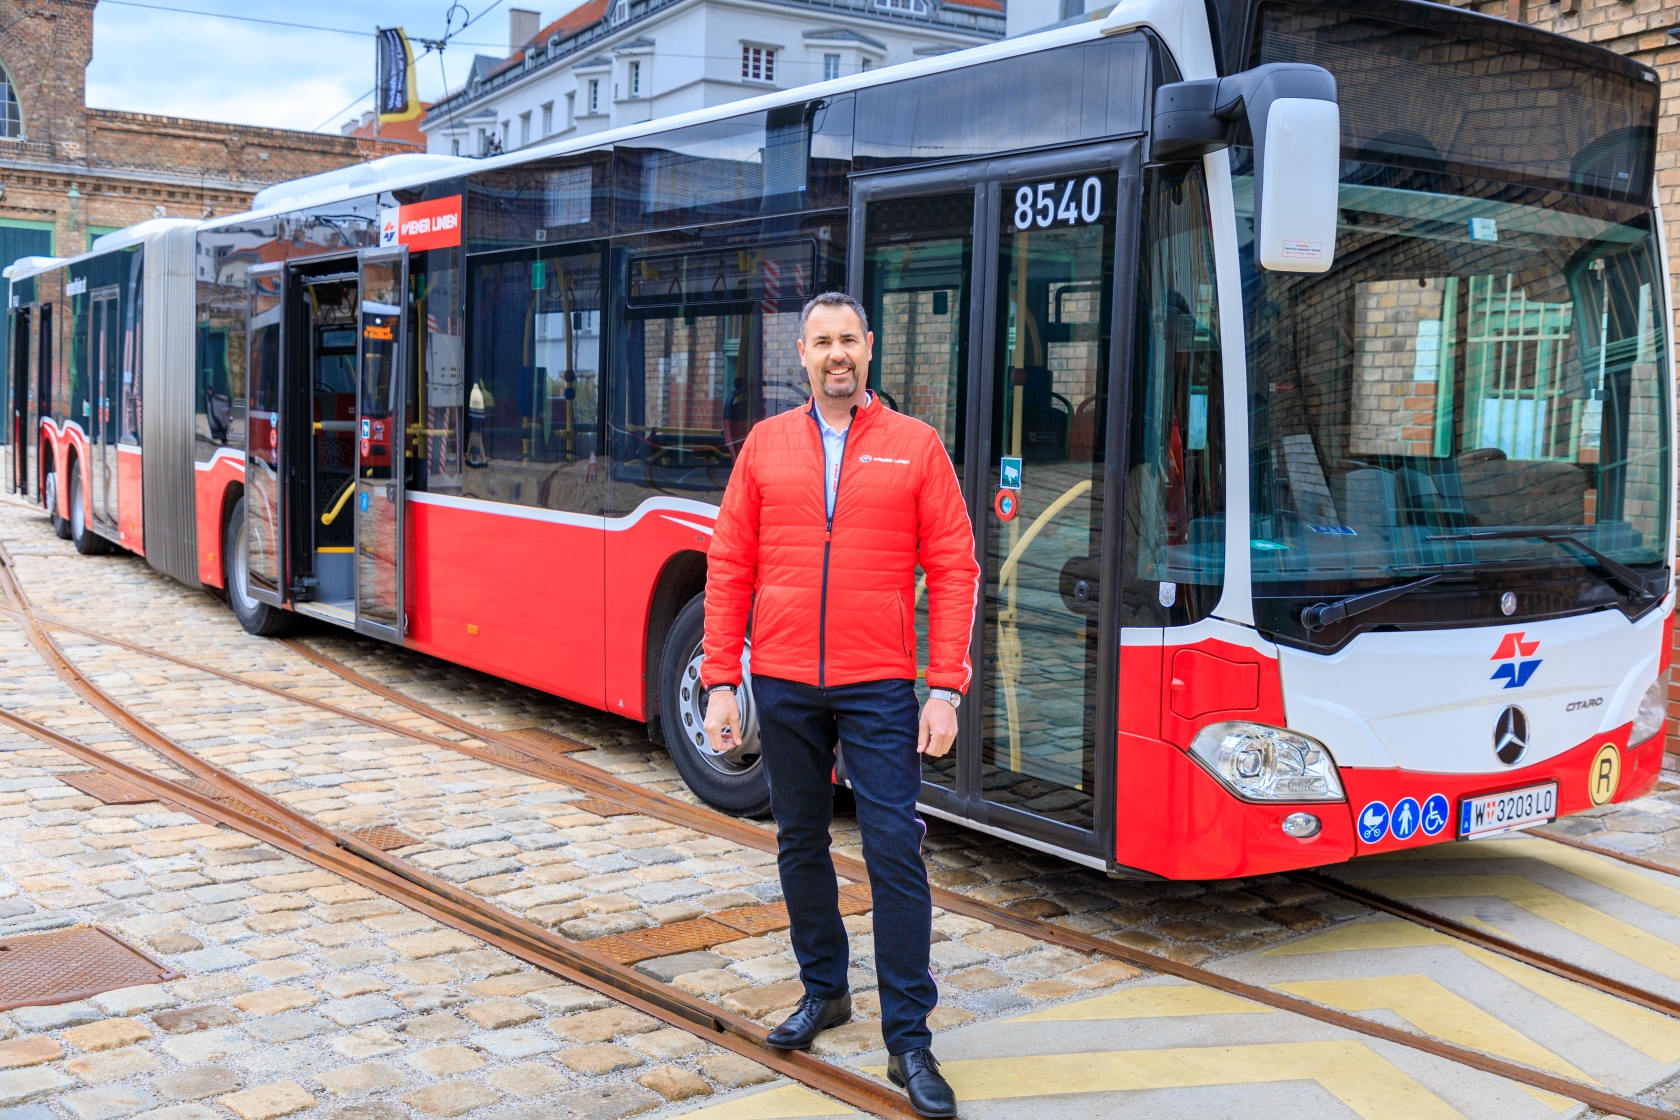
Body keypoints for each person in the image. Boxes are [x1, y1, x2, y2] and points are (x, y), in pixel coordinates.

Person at [701, 291, 978, 1118]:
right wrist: (722, 678)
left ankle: (910, 1041)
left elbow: (956, 568)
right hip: (784, 680)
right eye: (821, 342)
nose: (836, 356)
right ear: (802, 355)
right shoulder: (766, 445)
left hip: (879, 683)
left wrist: (946, 687)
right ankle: (825, 991)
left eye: (847, 341)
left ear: (868, 351)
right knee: (799, 840)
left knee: (894, 848)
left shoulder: (915, 447)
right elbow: (729, 566)